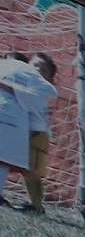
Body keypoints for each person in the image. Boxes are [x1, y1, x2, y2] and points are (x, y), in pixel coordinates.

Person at [0, 51, 59, 213]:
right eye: (35, 66)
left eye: (43, 69)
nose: (38, 70)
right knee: (8, 161)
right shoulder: (28, 82)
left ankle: (37, 206)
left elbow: (27, 100)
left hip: (37, 135)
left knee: (31, 173)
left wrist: (7, 86)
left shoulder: (43, 91)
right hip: (22, 133)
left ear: (50, 78)